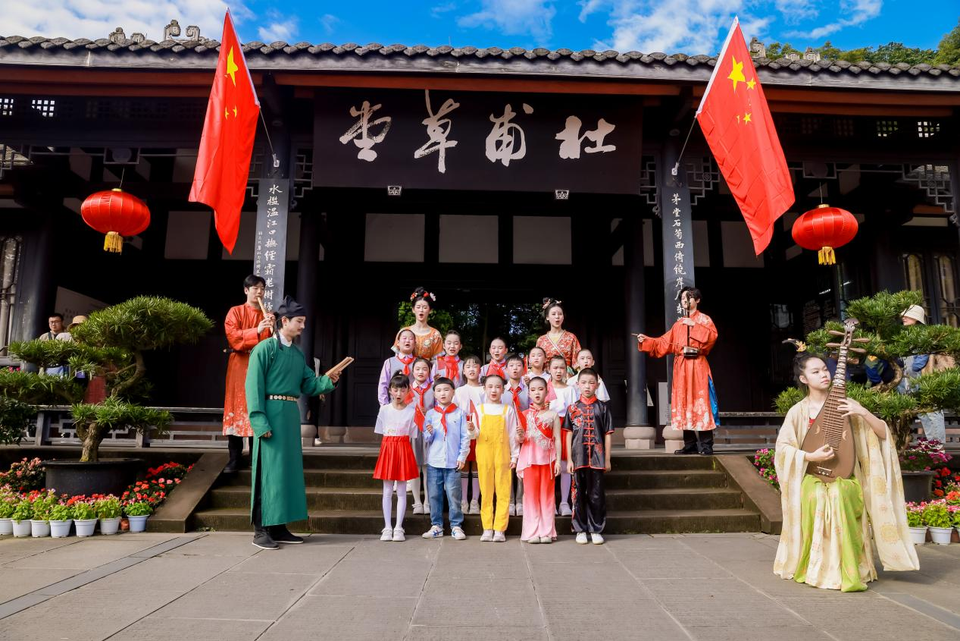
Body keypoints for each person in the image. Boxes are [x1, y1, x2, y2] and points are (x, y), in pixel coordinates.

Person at [773, 352, 919, 591]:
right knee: (820, 494)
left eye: (824, 369)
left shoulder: (846, 406)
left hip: (847, 477)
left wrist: (862, 411)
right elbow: (782, 449)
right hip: (813, 477)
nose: (823, 374)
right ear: (803, 379)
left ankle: (850, 569)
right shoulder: (798, 412)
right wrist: (809, 456)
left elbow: (883, 434)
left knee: (841, 494)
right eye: (815, 371)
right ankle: (819, 567)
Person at [245, 296, 339, 550]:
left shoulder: (297, 355)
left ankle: (278, 526)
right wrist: (259, 421)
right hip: (270, 412)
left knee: (285, 472)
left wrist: (330, 379)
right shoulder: (264, 349)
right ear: (283, 321)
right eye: (299, 321)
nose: (302, 327)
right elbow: (253, 387)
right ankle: (260, 529)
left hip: (289, 413)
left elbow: (310, 384)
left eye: (304, 322)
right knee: (268, 471)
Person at [636, 287, 719, 455]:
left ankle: (706, 445)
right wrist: (646, 341)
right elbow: (663, 343)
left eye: (688, 298)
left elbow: (712, 338)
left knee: (701, 403)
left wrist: (694, 325)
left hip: (698, 366)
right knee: (683, 403)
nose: (684, 301)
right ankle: (690, 444)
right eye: (682, 298)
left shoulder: (704, 319)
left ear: (697, 300)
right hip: (681, 369)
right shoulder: (678, 324)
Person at [223, 275, 274, 473]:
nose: (259, 291)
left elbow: (271, 344)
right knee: (236, 408)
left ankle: (256, 459)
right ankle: (234, 459)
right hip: (238, 365)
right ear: (246, 290)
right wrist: (257, 330)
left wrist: (271, 327)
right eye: (255, 288)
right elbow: (233, 338)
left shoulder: (267, 314)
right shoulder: (234, 312)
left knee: (256, 406)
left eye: (262, 288)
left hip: (259, 367)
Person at [564, 368, 614, 545]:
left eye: (591, 382)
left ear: (597, 385)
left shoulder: (603, 407)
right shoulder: (572, 408)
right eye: (583, 382)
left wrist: (607, 458)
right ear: (577, 385)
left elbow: (608, 434)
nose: (587, 386)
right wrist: (569, 459)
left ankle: (596, 528)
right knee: (578, 494)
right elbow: (568, 434)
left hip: (598, 457)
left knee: (596, 494)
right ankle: (580, 529)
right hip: (578, 457)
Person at [421, 377, 471, 540]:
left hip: (452, 462)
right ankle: (436, 525)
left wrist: (462, 456)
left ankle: (456, 525)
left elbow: (465, 436)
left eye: (446, 390)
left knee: (453, 494)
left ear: (453, 392)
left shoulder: (460, 413)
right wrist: (429, 432)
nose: (443, 393)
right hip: (434, 461)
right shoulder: (430, 414)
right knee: (434, 494)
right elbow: (427, 439)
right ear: (434, 394)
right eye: (439, 390)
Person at [473, 373, 520, 542]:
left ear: (503, 389)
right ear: (484, 389)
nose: (494, 390)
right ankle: (487, 527)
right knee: (485, 491)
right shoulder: (479, 409)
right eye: (490, 386)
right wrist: (471, 429)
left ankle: (500, 528)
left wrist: (515, 456)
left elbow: (513, 433)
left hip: (503, 454)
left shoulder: (508, 410)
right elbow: (474, 434)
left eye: (497, 387)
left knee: (503, 490)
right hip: (484, 453)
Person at [373, 373, 419, 543]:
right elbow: (382, 431)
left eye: (402, 389)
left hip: (403, 448)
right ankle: (387, 527)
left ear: (408, 390)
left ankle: (399, 527)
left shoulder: (411, 411)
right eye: (395, 389)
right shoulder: (384, 410)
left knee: (401, 490)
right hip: (388, 448)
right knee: (386, 490)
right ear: (390, 390)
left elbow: (412, 434)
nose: (399, 393)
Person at [518, 376, 561, 544]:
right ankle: (532, 531)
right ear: (528, 393)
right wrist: (519, 436)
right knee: (530, 496)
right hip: (529, 460)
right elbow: (519, 440)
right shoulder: (524, 415)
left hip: (548, 460)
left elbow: (557, 438)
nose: (537, 393)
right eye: (533, 390)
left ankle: (547, 531)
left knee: (547, 496)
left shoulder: (553, 415)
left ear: (547, 391)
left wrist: (557, 461)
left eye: (541, 389)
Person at [899, 305, 947, 443]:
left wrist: (911, 364)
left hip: (925, 379)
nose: (904, 317)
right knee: (923, 413)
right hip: (912, 381)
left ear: (917, 318)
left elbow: (918, 363)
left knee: (933, 411)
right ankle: (932, 445)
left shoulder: (924, 335)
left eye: (908, 315)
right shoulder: (907, 335)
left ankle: (937, 446)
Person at [454, 354, 485, 515]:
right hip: (464, 431)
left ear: (480, 369)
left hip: (482, 431)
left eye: (475, 366)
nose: (472, 369)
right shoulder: (458, 391)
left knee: (478, 465)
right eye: (468, 367)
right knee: (465, 465)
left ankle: (475, 501)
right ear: (463, 371)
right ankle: (464, 500)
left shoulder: (485, 389)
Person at [548, 354, 578, 516]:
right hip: (549, 428)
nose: (558, 371)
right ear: (549, 370)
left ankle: (565, 502)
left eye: (561, 367)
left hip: (565, 427)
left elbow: (573, 411)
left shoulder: (570, 390)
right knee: (551, 465)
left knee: (566, 465)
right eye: (555, 368)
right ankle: (551, 501)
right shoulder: (545, 387)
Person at [406, 357, 434, 515]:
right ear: (412, 371)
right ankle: (417, 501)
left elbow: (439, 408)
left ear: (429, 371)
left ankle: (428, 501)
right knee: (415, 467)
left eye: (424, 369)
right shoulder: (407, 389)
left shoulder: (434, 388)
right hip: (413, 432)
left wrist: (428, 413)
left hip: (429, 432)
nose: (421, 372)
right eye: (418, 369)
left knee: (428, 468)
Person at [503, 354, 528, 516]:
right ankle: (510, 500)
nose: (515, 368)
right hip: (506, 433)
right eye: (511, 365)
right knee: (508, 466)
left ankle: (520, 500)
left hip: (525, 431)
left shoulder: (529, 390)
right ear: (506, 369)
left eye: (518, 365)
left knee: (521, 465)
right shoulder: (501, 390)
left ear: (523, 368)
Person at [396, 287, 444, 360]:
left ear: (430, 310)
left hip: (428, 370)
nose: (421, 310)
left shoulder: (435, 335)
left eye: (425, 307)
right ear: (413, 309)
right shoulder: (403, 332)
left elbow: (439, 361)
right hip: (406, 370)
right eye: (418, 307)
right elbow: (396, 358)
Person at [536, 298, 581, 373]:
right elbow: (536, 362)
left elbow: (578, 362)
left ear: (563, 317)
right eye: (553, 314)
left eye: (560, 314)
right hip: (546, 377)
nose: (557, 317)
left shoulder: (571, 337)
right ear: (547, 317)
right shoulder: (541, 340)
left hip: (567, 377)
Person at [378, 329, 417, 406]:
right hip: (394, 406)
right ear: (398, 343)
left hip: (414, 405)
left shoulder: (420, 363)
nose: (407, 341)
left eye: (411, 339)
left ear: (415, 344)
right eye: (404, 338)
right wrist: (384, 406)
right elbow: (383, 385)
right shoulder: (389, 362)